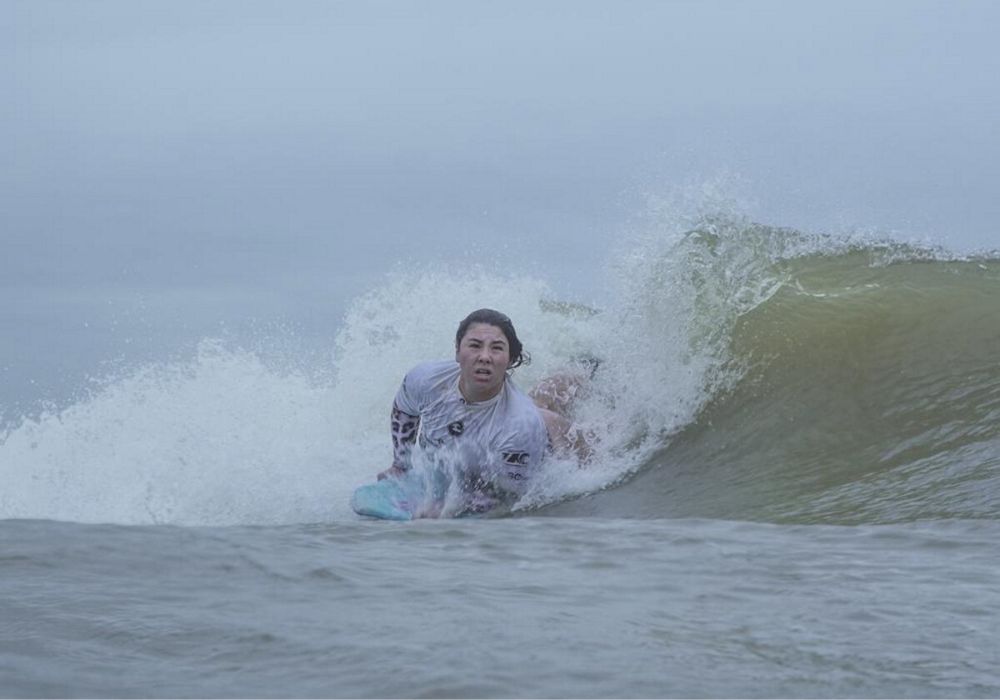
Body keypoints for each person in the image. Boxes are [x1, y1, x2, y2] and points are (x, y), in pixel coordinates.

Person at [375, 308, 589, 513]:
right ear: (457, 351)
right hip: (515, 417)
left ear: (511, 360)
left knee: (548, 419)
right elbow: (405, 411)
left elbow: (509, 497)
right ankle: (576, 369)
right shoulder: (425, 380)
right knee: (536, 404)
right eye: (475, 345)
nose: (485, 356)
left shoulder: (521, 425)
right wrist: (400, 465)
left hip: (551, 440)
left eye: (496, 348)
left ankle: (586, 369)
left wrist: (448, 509)